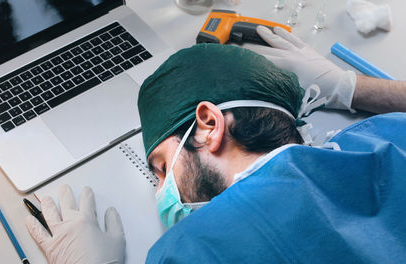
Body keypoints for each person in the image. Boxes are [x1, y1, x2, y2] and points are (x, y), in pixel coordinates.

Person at [25, 26, 406, 263]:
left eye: (160, 168)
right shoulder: (387, 135)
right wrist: (354, 87)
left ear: (208, 126)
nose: (160, 190)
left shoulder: (191, 249)